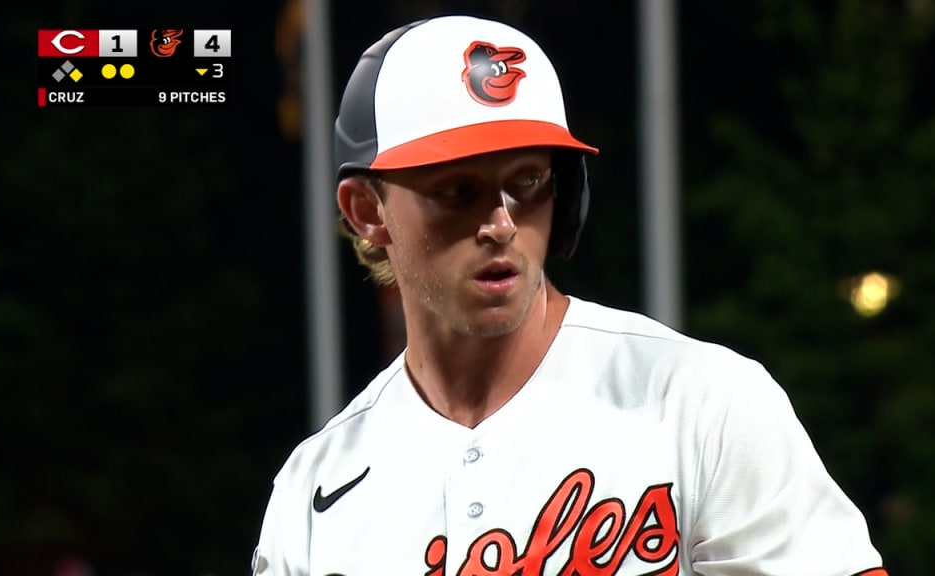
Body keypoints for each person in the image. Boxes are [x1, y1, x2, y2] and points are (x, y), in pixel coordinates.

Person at [252, 14, 889, 576]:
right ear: (368, 210)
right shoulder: (316, 490)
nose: (500, 223)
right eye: (455, 191)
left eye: (527, 181)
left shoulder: (700, 404)